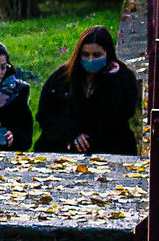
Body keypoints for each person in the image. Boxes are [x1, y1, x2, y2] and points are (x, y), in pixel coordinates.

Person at [34, 25, 141, 155]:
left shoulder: (123, 77)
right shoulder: (61, 78)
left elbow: (121, 115)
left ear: (107, 54)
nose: (91, 59)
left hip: (109, 148)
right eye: (86, 54)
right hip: (65, 147)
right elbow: (45, 114)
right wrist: (70, 132)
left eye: (97, 55)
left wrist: (110, 81)